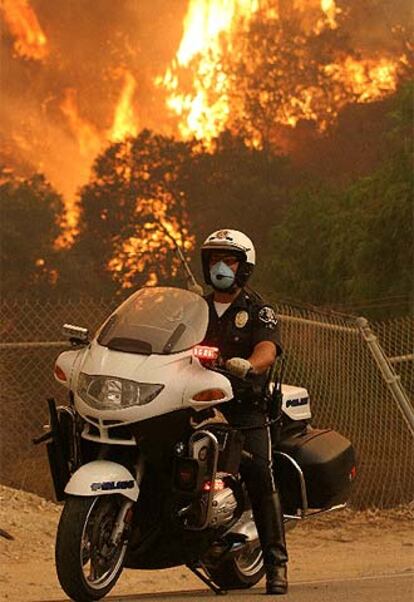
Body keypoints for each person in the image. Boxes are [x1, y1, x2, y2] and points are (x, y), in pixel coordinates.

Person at [200, 228, 288, 596]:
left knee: (259, 475)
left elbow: (267, 351)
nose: (220, 266)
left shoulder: (258, 310)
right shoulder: (196, 308)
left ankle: (276, 564)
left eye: (229, 260)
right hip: (200, 404)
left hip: (245, 408)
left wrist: (249, 364)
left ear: (244, 267)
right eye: (214, 260)